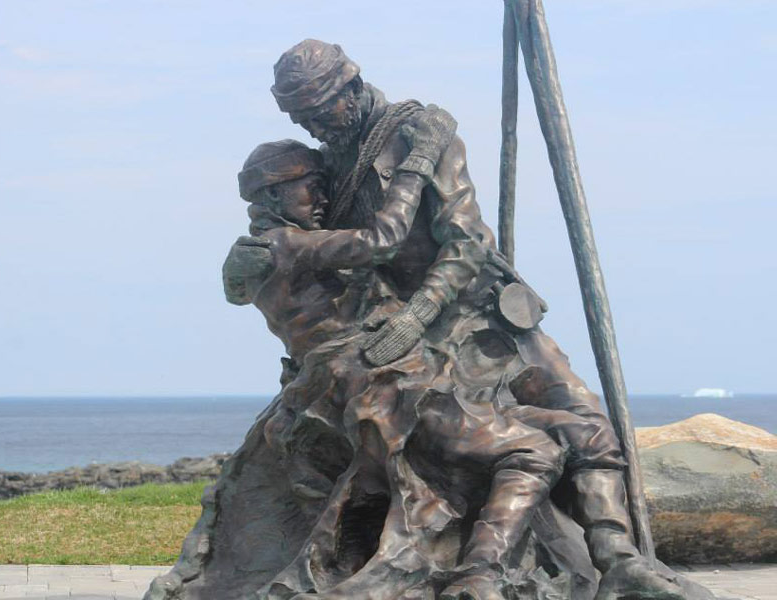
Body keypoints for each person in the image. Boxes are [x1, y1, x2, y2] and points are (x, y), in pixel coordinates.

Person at [240, 38, 687, 600]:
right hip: (401, 337)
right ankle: (481, 569)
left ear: (349, 88)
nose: (313, 126)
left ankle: (618, 559)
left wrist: (423, 308)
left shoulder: (418, 132)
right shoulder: (327, 163)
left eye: (317, 111)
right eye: (299, 118)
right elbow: (356, 255)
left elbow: (466, 240)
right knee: (513, 440)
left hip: (476, 312)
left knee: (582, 414)